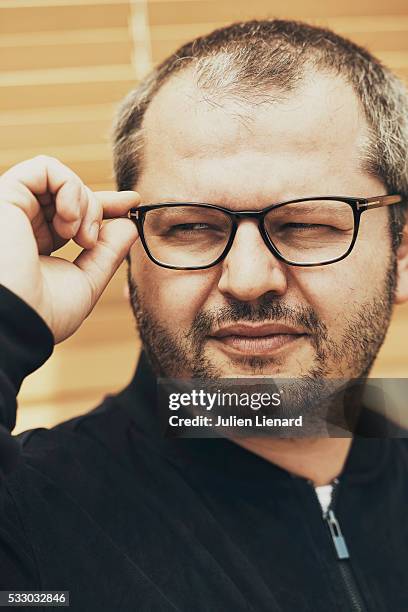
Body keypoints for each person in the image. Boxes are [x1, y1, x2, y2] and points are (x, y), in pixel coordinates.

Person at [0, 18, 407, 612]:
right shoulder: (29, 519)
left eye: (307, 225)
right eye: (190, 226)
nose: (247, 281)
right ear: (127, 250)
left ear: (400, 254)